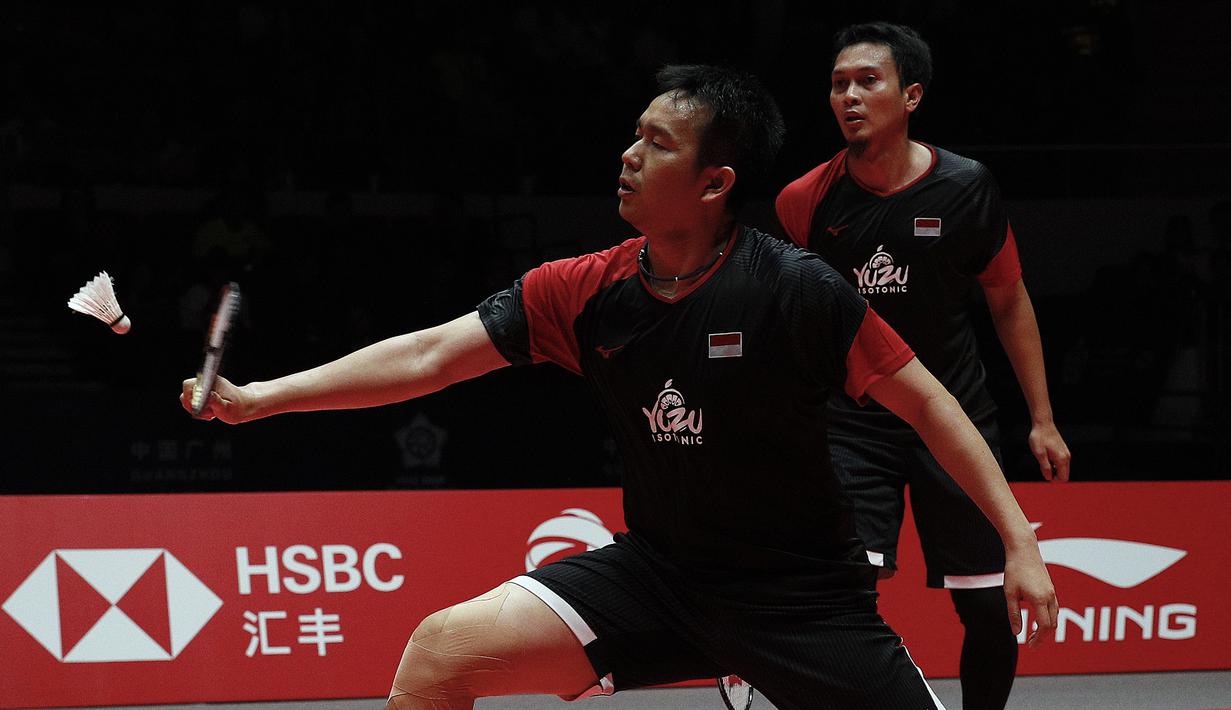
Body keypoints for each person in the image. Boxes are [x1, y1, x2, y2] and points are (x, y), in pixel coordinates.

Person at [183, 64, 1057, 710]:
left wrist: (1015, 540)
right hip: (659, 576)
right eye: (635, 134)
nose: (630, 155)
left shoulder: (794, 290)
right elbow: (426, 356)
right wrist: (263, 397)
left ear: (715, 184)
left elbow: (930, 403)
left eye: (658, 143)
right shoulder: (583, 289)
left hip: (799, 598)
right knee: (440, 653)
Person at [774, 22, 1071, 709]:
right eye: (838, 83)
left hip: (953, 417)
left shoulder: (966, 187)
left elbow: (1006, 296)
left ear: (910, 95)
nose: (848, 95)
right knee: (846, 597)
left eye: (866, 81)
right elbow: (795, 323)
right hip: (853, 423)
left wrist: (1042, 418)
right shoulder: (804, 201)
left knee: (985, 610)